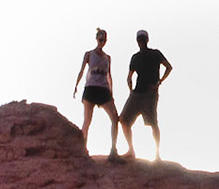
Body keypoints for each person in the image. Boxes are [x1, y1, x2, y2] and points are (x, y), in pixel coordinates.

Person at [118, 28, 173, 160]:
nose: (141, 42)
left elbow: (169, 67)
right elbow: (129, 76)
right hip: (138, 92)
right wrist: (131, 90)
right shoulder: (136, 57)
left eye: (142, 39)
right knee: (124, 120)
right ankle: (131, 150)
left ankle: (157, 155)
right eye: (139, 39)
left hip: (150, 93)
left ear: (147, 40)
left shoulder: (155, 54)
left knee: (153, 123)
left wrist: (159, 82)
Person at [73, 28, 120, 158]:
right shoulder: (89, 54)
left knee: (115, 118)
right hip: (91, 88)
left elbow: (109, 76)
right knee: (87, 120)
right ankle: (82, 150)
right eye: (100, 39)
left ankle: (113, 150)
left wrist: (112, 93)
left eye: (104, 39)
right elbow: (82, 70)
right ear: (96, 39)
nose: (102, 41)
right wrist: (76, 85)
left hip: (103, 89)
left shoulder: (107, 58)